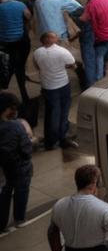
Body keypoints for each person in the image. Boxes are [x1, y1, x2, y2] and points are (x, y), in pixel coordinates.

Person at [32, 31, 77, 150]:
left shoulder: (37, 53)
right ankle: (62, 137)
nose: (56, 38)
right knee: (63, 112)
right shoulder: (62, 52)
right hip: (62, 85)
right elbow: (73, 65)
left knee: (51, 113)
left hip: (47, 86)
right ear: (47, 39)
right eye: (53, 37)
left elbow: (37, 67)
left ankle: (50, 141)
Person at [0, 92, 33, 233]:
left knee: (5, 194)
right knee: (21, 191)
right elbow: (26, 150)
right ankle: (19, 219)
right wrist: (31, 140)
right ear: (8, 109)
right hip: (20, 167)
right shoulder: (17, 126)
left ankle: (1, 224)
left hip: (3, 169)